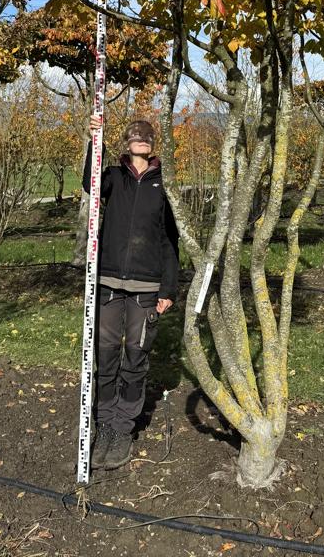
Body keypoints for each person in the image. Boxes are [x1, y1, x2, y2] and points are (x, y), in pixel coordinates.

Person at [81, 116, 179, 471]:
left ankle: (123, 428)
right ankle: (105, 422)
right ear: (125, 142)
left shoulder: (163, 187)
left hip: (146, 288)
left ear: (153, 144)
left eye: (147, 137)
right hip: (107, 283)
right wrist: (96, 138)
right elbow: (90, 184)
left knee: (135, 357)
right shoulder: (112, 177)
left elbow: (170, 240)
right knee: (105, 356)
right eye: (135, 137)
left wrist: (169, 288)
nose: (141, 141)